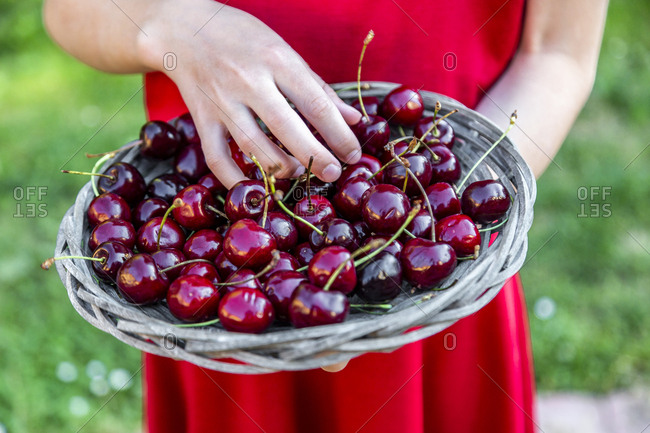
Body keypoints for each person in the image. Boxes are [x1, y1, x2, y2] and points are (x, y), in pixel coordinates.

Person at [43, 0, 608, 431]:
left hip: (437, 283)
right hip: (214, 307)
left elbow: (557, 53)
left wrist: (452, 199)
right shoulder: (194, 274)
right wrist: (169, 23)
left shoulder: (435, 236)